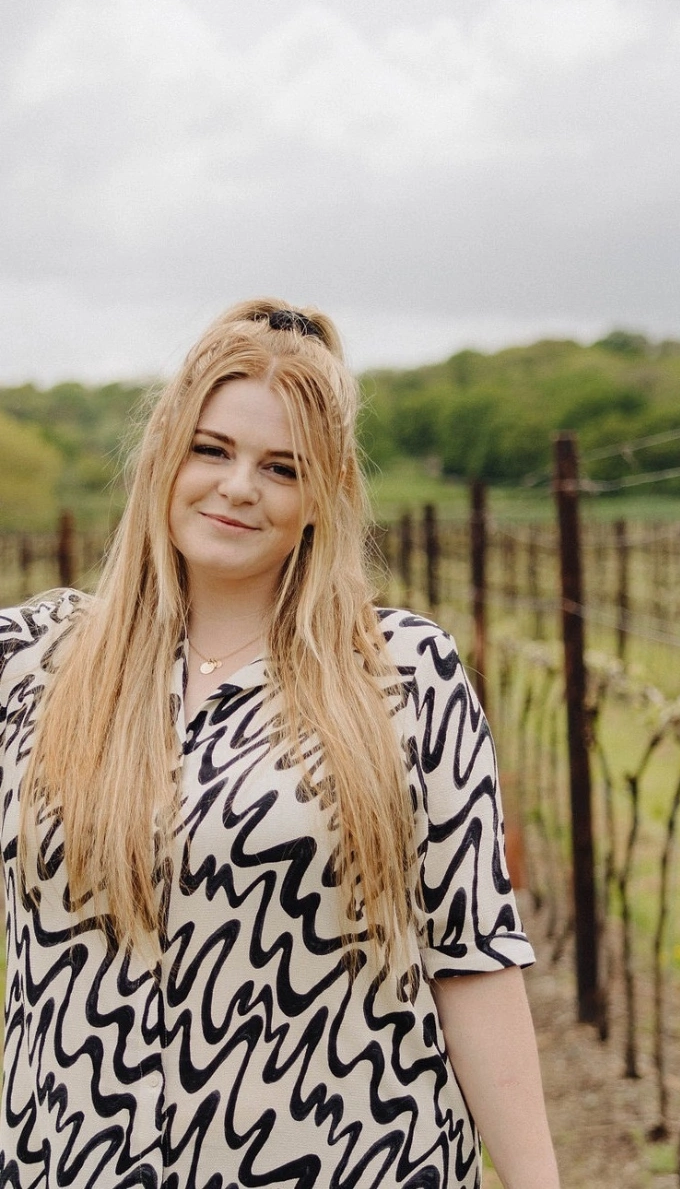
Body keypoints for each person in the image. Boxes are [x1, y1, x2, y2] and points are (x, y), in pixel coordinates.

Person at [0, 300, 560, 1189]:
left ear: (322, 498)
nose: (237, 487)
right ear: (164, 455)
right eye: (212, 450)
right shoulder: (34, 661)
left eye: (281, 468)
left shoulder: (403, 675)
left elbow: (474, 960)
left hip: (348, 1161)